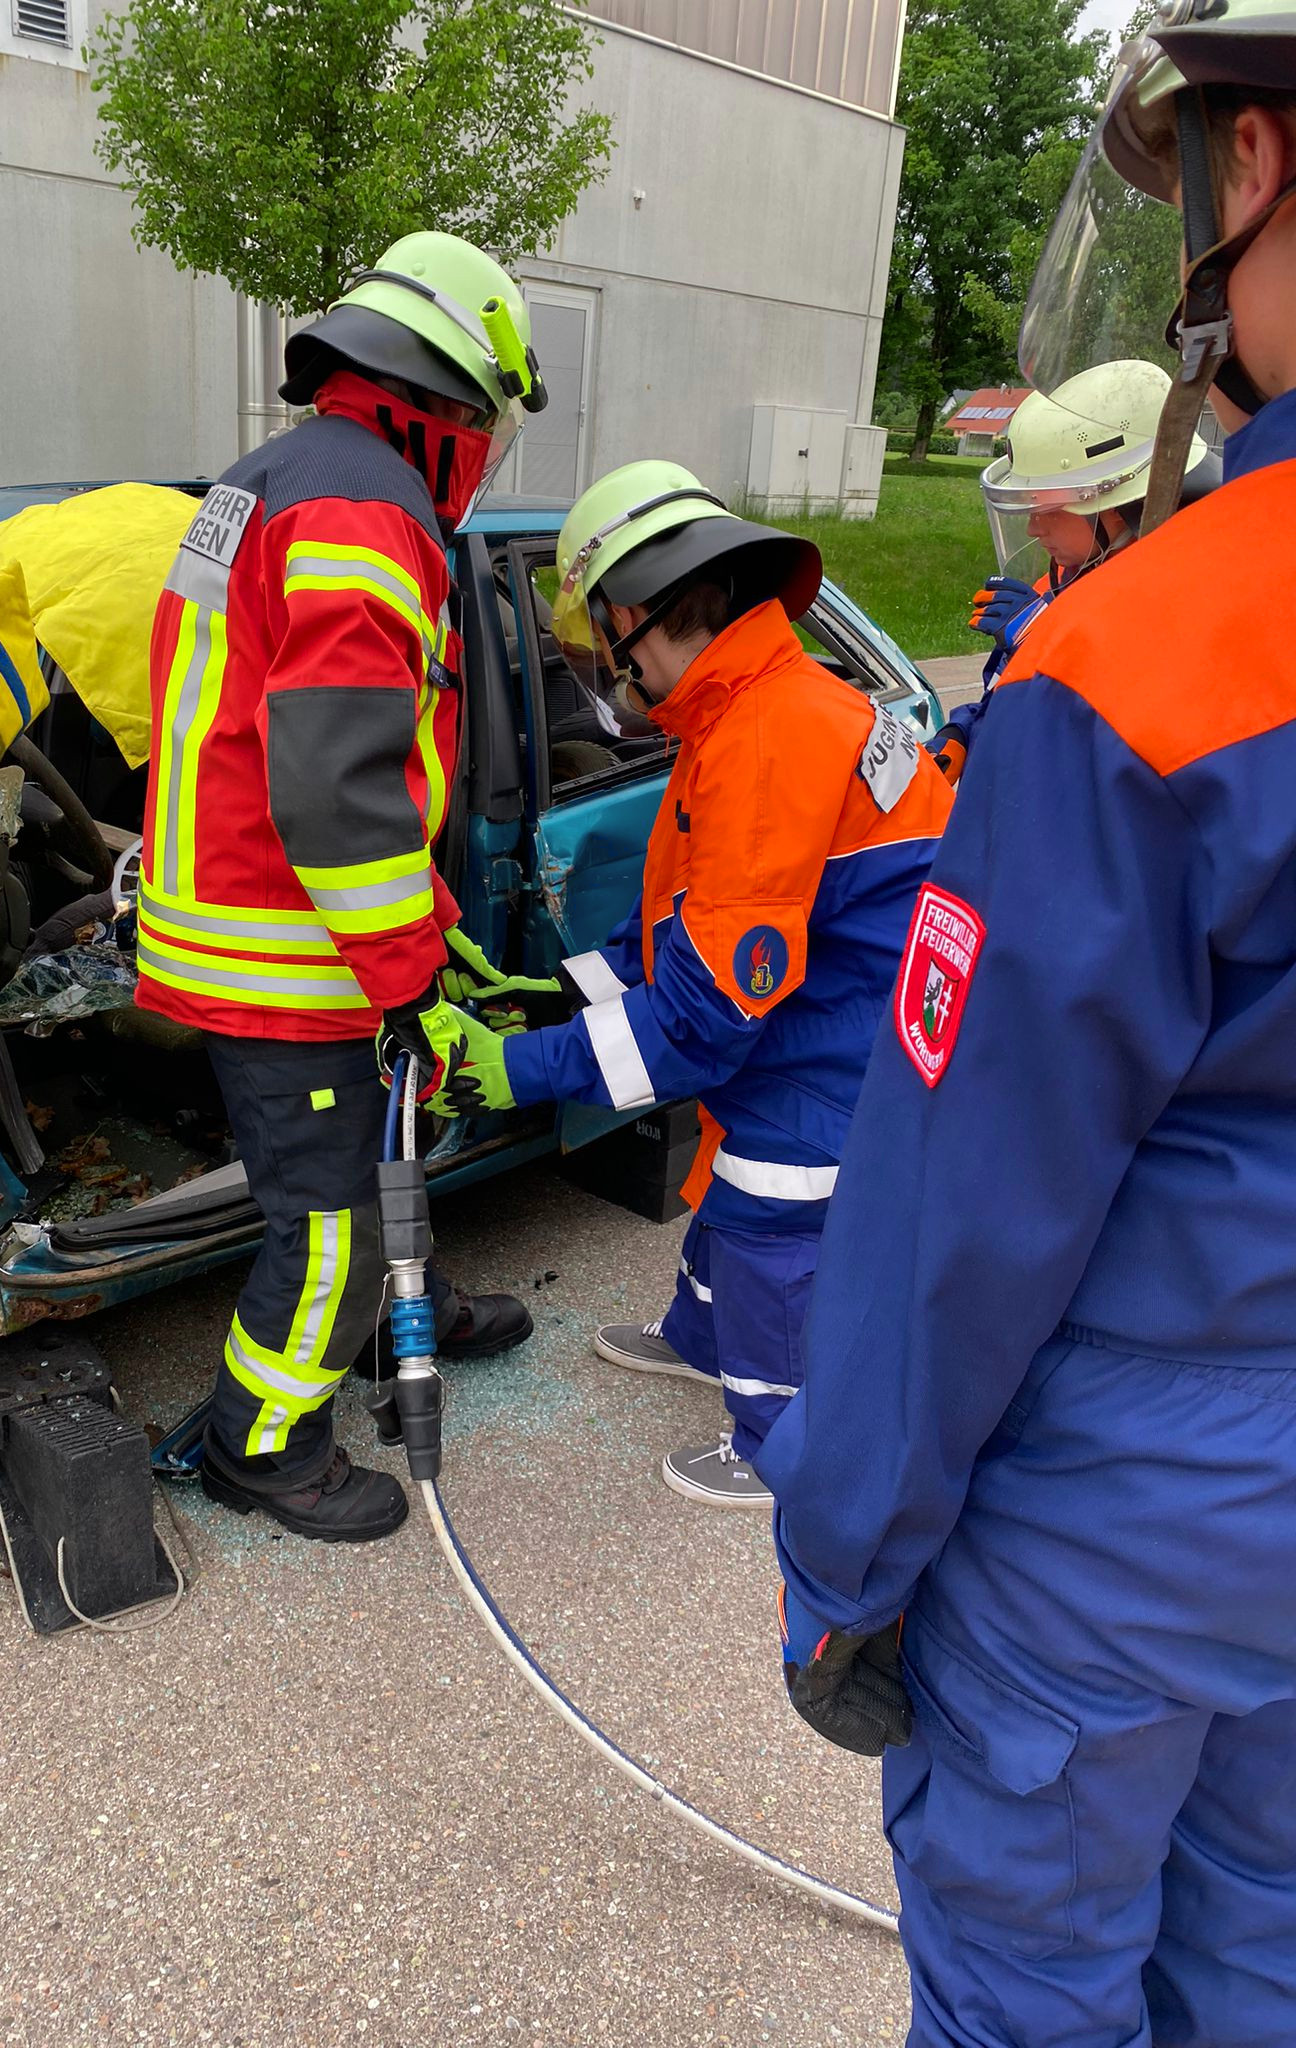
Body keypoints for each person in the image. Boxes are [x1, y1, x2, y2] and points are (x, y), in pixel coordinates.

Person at [758, 4, 1296, 2036]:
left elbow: (953, 1215)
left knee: (1034, 1990)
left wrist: (849, 1561)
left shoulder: (1154, 658)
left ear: (1248, 165)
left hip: (1127, 1534)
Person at [432, 461, 951, 1506]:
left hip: (844, 1047)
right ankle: (703, 1335)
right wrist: (545, 992)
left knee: (769, 1207)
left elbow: (703, 1019)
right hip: (825, 1000)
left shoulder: (765, 738)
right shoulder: (749, 708)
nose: (594, 672)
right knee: (724, 1184)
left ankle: (780, 1437)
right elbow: (681, 921)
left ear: (635, 613)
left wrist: (517, 1070)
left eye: (589, 642)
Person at [137, 233, 548, 1542]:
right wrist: (412, 970)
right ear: (446, 402)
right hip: (287, 952)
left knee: (376, 1164)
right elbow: (335, 782)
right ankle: (266, 1443)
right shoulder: (368, 511)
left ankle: (393, 1322)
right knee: (323, 1225)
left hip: (233, 926)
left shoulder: (255, 485)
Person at [927, 359, 1218, 784]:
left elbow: (1124, 740)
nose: (1031, 527)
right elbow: (1014, 691)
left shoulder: (1190, 600)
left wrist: (1047, 642)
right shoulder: (1070, 577)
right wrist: (968, 729)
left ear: (1117, 507)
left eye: (1045, 508)